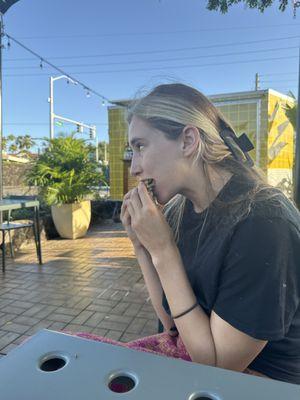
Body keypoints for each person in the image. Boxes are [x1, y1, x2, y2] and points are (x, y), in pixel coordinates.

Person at [75, 83, 300, 385]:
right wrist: (143, 247)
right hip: (201, 364)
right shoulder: (181, 210)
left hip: (263, 383)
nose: (134, 169)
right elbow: (172, 324)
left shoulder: (264, 225)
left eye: (140, 147)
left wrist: (164, 250)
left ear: (188, 140)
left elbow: (217, 367)